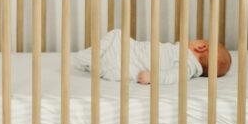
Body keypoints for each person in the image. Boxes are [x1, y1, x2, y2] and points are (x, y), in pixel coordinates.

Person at [73, 28, 232, 86]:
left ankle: (88, 59)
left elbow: (172, 76)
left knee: (117, 34)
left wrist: (153, 77)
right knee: (116, 53)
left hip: (132, 57)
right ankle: (94, 63)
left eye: (199, 40)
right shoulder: (186, 60)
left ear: (201, 47)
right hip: (133, 54)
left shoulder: (188, 65)